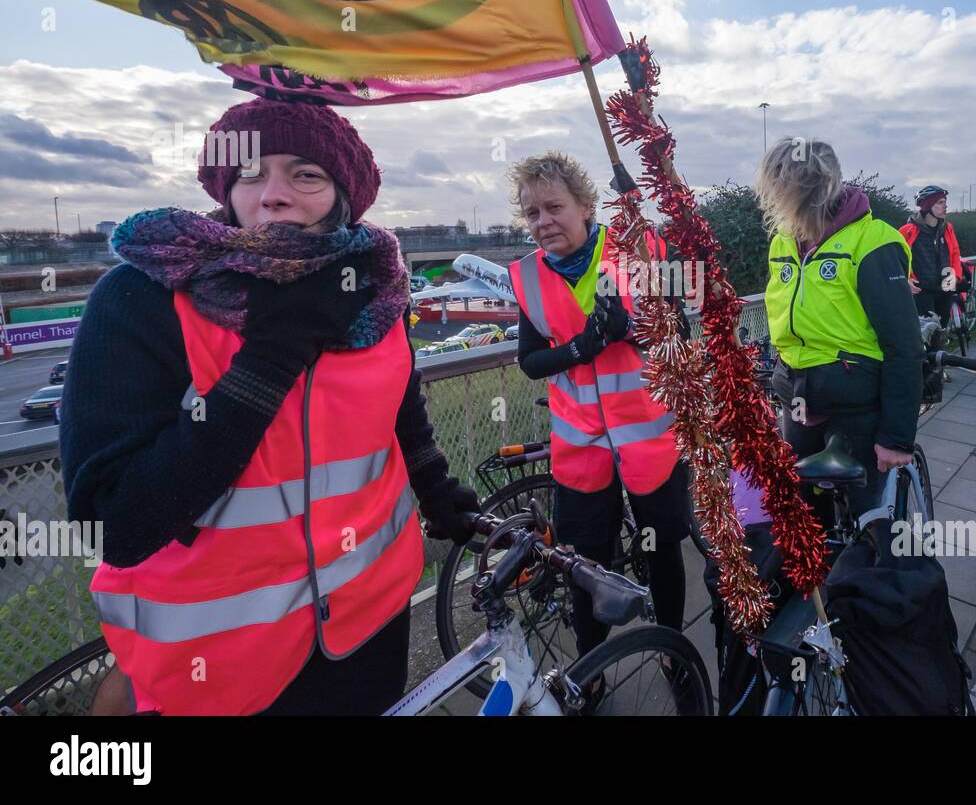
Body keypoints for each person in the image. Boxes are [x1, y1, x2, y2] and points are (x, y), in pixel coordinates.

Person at [60, 99, 480, 716]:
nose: (274, 194)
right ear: (226, 190)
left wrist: (437, 489)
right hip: (218, 669)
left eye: (306, 175)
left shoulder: (372, 289)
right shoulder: (142, 298)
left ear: (343, 197)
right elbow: (119, 525)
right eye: (251, 173)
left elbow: (399, 399)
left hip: (370, 626)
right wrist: (271, 355)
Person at [506, 152, 690, 675]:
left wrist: (632, 326)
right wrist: (580, 348)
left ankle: (673, 654)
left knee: (662, 555)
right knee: (585, 566)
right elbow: (530, 361)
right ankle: (587, 675)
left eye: (554, 207)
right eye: (532, 212)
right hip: (581, 449)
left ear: (586, 205)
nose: (543, 222)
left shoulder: (644, 249)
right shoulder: (526, 276)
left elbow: (682, 334)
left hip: (650, 441)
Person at [757, 138, 923, 517]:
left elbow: (904, 344)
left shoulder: (875, 242)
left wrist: (896, 438)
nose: (779, 203)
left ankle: (870, 564)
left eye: (786, 192)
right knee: (803, 515)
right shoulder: (783, 241)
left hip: (857, 405)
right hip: (796, 397)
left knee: (867, 520)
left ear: (816, 191)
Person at [901, 185, 967, 326]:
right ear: (927, 206)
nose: (945, 206)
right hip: (922, 291)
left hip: (945, 288)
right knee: (925, 333)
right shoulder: (908, 231)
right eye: (940, 202)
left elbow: (955, 253)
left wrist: (955, 276)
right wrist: (906, 278)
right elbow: (895, 259)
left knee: (941, 330)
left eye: (945, 202)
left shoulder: (947, 228)